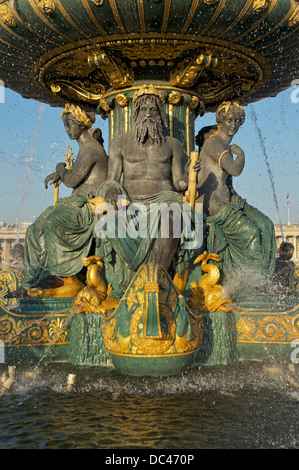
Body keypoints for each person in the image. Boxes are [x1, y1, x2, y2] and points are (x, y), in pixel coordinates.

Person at [96, 85, 197, 296]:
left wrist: (190, 175)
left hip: (165, 197)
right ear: (135, 114)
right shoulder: (119, 143)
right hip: (130, 200)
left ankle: (157, 278)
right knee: (110, 221)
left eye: (153, 110)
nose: (148, 114)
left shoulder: (173, 145)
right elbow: (111, 180)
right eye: (143, 110)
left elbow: (178, 182)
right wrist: (112, 191)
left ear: (160, 114)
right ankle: (135, 277)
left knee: (174, 215)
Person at [7, 104, 108, 298]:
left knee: (53, 223)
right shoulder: (85, 148)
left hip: (88, 204)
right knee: (33, 230)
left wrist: (60, 167)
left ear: (81, 123)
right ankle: (32, 280)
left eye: (69, 124)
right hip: (75, 203)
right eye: (64, 124)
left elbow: (71, 181)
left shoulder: (90, 149)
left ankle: (69, 279)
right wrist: (62, 171)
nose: (66, 129)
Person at [195, 101, 276, 280]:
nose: (233, 125)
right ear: (220, 121)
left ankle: (265, 278)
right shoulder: (215, 143)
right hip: (214, 204)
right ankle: (252, 284)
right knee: (252, 234)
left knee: (266, 225)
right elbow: (234, 170)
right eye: (229, 120)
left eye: (237, 121)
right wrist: (241, 155)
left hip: (229, 200)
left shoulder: (223, 144)